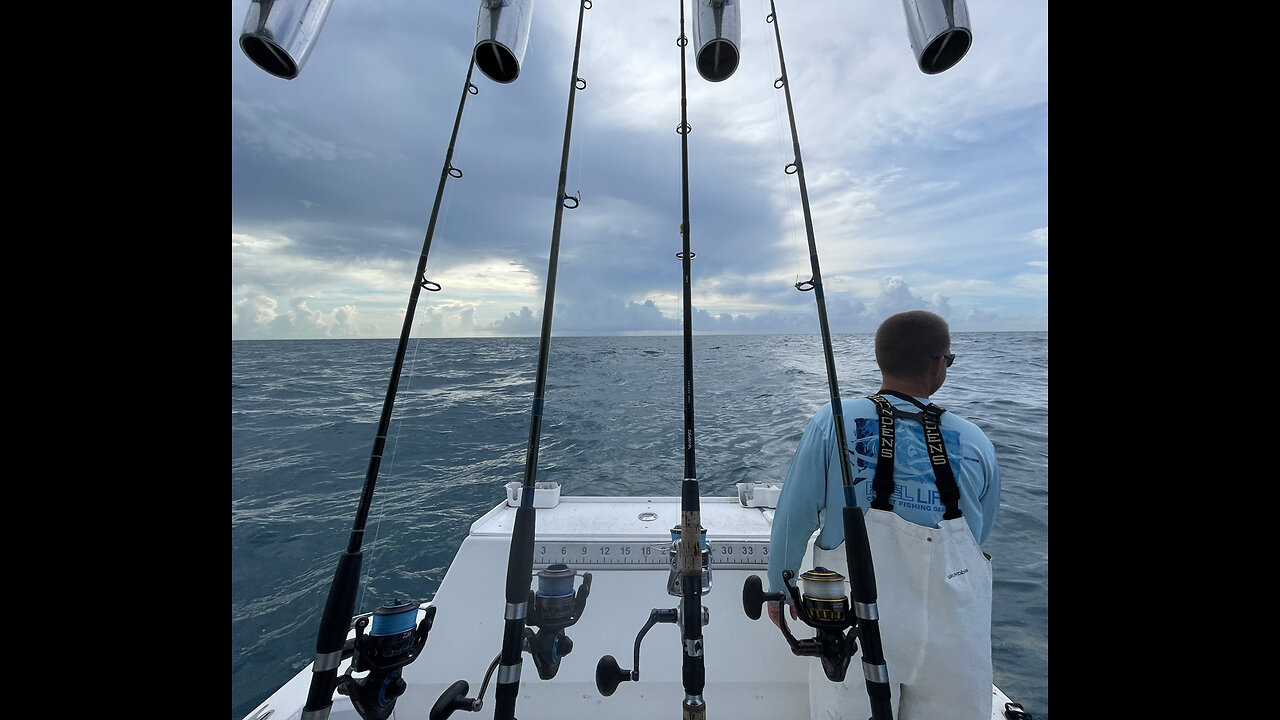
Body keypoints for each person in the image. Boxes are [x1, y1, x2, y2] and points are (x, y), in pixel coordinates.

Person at [766, 310, 1001, 720]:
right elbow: (978, 532)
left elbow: (794, 515)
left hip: (857, 630)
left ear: (881, 359)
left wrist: (779, 586)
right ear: (937, 364)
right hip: (955, 637)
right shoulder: (976, 440)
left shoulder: (833, 421)